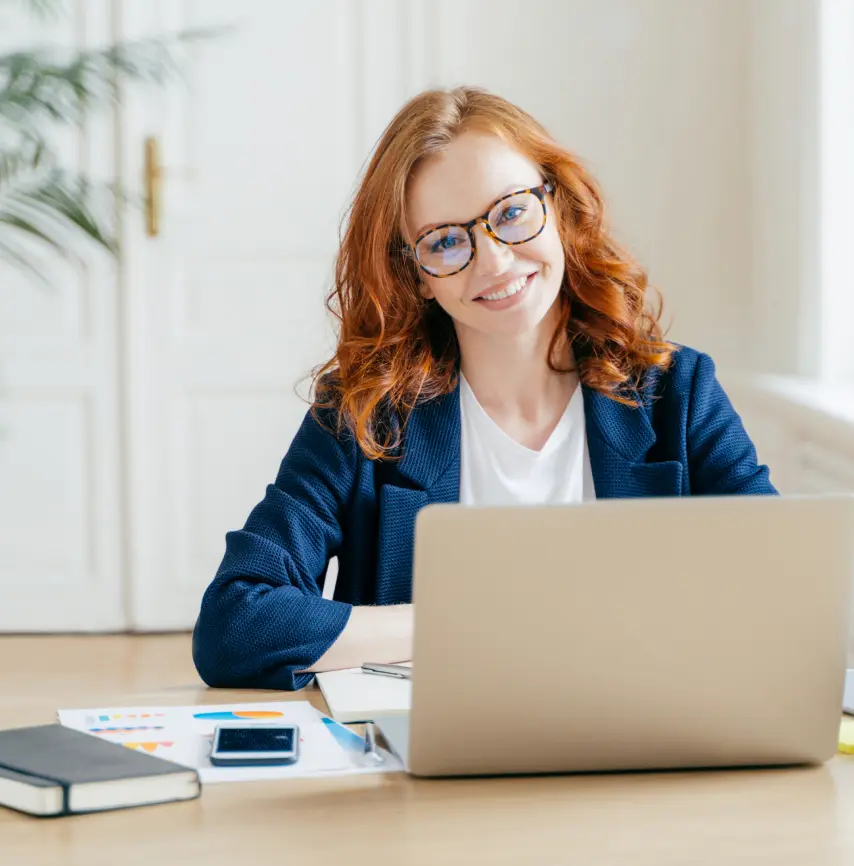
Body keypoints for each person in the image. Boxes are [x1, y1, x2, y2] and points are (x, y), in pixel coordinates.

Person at [192, 86, 775, 691]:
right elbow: (235, 624)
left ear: (562, 209)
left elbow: (776, 585)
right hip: (434, 767)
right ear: (413, 276)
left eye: (512, 212)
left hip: (648, 736)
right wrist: (471, 625)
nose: (493, 262)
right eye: (445, 240)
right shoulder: (364, 416)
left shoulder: (677, 392)